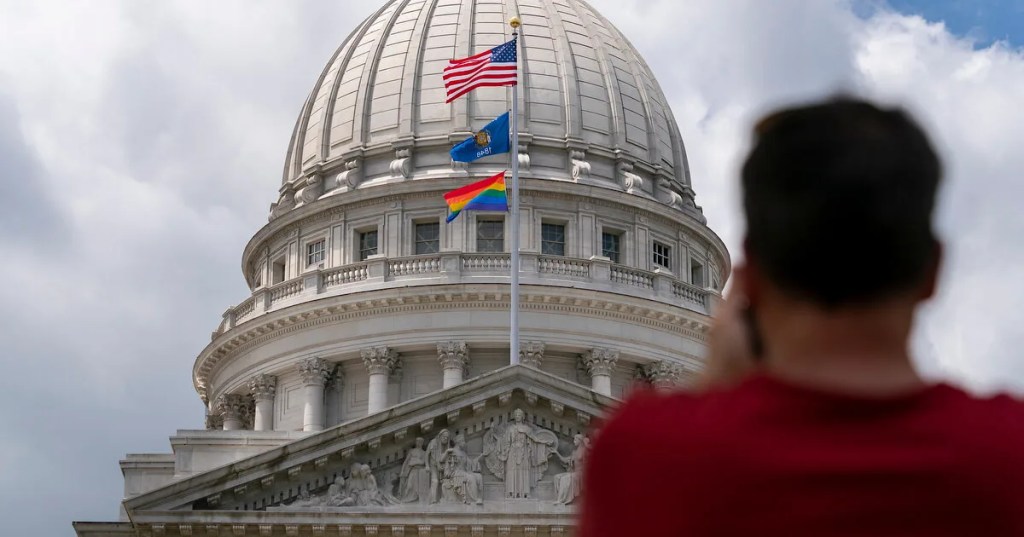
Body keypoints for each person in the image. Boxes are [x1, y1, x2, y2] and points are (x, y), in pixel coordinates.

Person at [579, 97, 1024, 536]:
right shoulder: (1009, 457)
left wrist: (714, 392)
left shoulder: (642, 457)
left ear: (748, 277)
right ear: (934, 270)